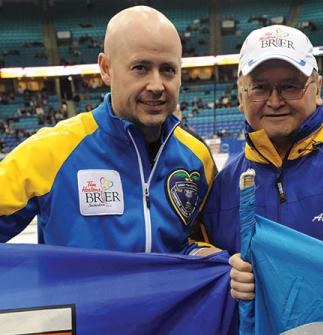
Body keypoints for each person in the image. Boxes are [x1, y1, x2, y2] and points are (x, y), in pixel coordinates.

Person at [0, 6, 217, 255]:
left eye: (168, 69)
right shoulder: (50, 152)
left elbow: (202, 240)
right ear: (106, 68)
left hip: (173, 296)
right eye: (141, 68)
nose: (157, 85)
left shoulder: (197, 158)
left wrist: (205, 254)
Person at [202, 25, 323, 299]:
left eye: (290, 86)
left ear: (317, 89)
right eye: (260, 87)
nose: (275, 101)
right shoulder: (219, 191)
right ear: (241, 96)